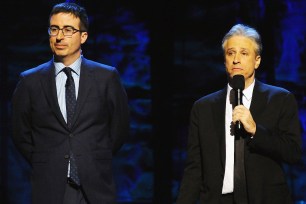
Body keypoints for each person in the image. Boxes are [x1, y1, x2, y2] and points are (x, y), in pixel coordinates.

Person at [12, 2, 129, 204]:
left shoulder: (106, 77)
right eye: (54, 29)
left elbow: (119, 128)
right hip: (50, 185)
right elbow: (20, 133)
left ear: (83, 36)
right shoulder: (29, 81)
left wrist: (94, 156)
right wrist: (47, 160)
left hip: (96, 184)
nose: (59, 36)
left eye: (68, 30)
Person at [176, 24, 302, 204]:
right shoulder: (203, 108)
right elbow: (194, 169)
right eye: (230, 53)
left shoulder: (280, 99)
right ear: (224, 60)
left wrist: (256, 131)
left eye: (244, 53)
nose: (236, 60)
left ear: (257, 60)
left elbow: (293, 152)